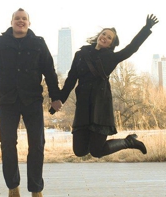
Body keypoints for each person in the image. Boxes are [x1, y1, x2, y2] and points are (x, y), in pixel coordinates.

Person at [0, 8, 62, 197]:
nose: (20, 21)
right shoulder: (0, 42)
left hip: (32, 99)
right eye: (17, 18)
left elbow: (49, 71)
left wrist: (55, 97)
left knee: (37, 144)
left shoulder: (38, 43)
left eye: (24, 19)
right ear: (12, 21)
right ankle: (13, 186)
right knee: (7, 143)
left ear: (29, 23)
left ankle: (36, 189)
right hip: (7, 100)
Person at [58, 14, 159, 158]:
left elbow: (132, 48)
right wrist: (59, 100)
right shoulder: (81, 54)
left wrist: (146, 28)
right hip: (83, 106)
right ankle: (101, 143)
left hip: (100, 106)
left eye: (109, 37)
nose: (105, 37)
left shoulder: (111, 58)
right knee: (79, 151)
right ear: (99, 35)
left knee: (97, 151)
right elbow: (71, 79)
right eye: (104, 34)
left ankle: (128, 142)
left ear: (111, 44)